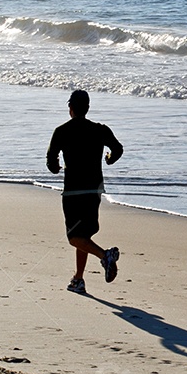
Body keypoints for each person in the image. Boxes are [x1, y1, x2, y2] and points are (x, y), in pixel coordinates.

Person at [46, 89, 123, 295]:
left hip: (73, 192)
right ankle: (78, 279)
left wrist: (57, 167)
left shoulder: (61, 131)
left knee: (74, 237)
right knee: (84, 235)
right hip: (94, 190)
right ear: (87, 108)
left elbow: (51, 163)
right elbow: (118, 149)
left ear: (70, 108)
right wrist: (108, 159)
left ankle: (104, 256)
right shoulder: (100, 130)